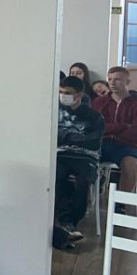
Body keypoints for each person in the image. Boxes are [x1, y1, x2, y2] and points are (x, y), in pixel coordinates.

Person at [53, 76, 104, 250]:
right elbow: (54, 136)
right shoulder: (54, 111)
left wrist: (66, 137)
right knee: (57, 177)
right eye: (60, 92)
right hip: (61, 155)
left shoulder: (94, 117)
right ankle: (64, 228)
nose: (63, 96)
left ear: (79, 95)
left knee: (80, 182)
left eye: (67, 93)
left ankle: (69, 225)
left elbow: (92, 142)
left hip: (86, 157)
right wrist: (75, 138)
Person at [93, 67, 137, 197]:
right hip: (101, 144)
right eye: (110, 79)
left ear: (127, 82)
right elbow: (97, 127)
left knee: (130, 163)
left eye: (117, 79)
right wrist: (123, 126)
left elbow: (135, 131)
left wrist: (111, 129)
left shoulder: (135, 103)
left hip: (125, 145)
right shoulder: (99, 102)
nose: (112, 83)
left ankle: (122, 205)